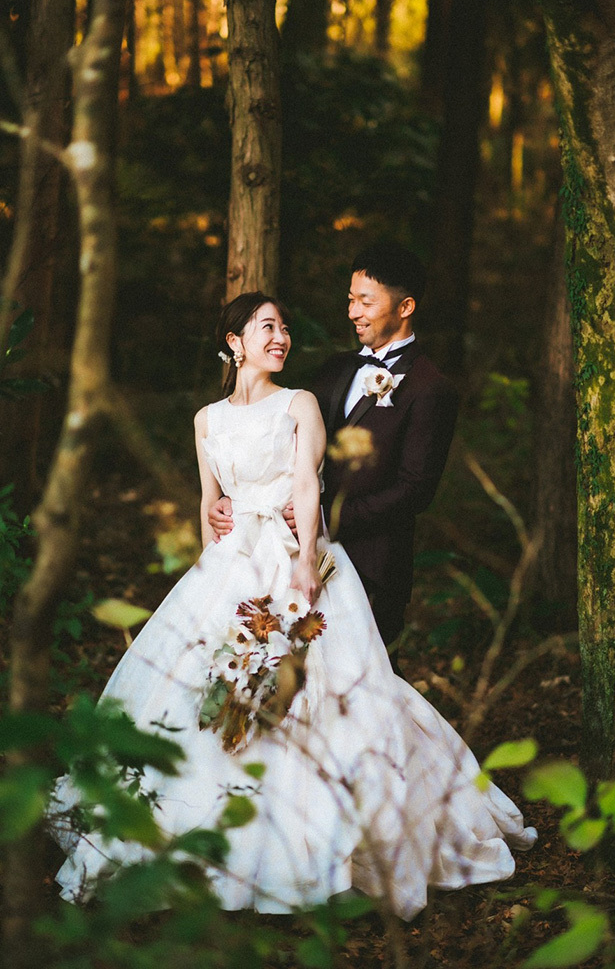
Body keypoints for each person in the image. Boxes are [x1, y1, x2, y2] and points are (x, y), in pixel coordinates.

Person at [49, 291, 535, 920]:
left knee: (331, 692)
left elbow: (308, 482)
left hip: (290, 555)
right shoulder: (206, 419)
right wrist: (209, 561)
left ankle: (331, 838)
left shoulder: (300, 403)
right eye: (267, 328)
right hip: (230, 564)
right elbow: (208, 500)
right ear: (235, 343)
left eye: (282, 327)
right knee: (213, 691)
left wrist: (306, 559)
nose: (280, 337)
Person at [209, 244, 458, 670]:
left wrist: (327, 516)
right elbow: (283, 446)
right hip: (292, 555)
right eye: (350, 299)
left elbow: (415, 490)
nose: (353, 312)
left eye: (366, 301)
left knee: (364, 686)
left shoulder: (429, 386)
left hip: (374, 563)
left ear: (405, 307)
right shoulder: (333, 370)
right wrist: (236, 500)